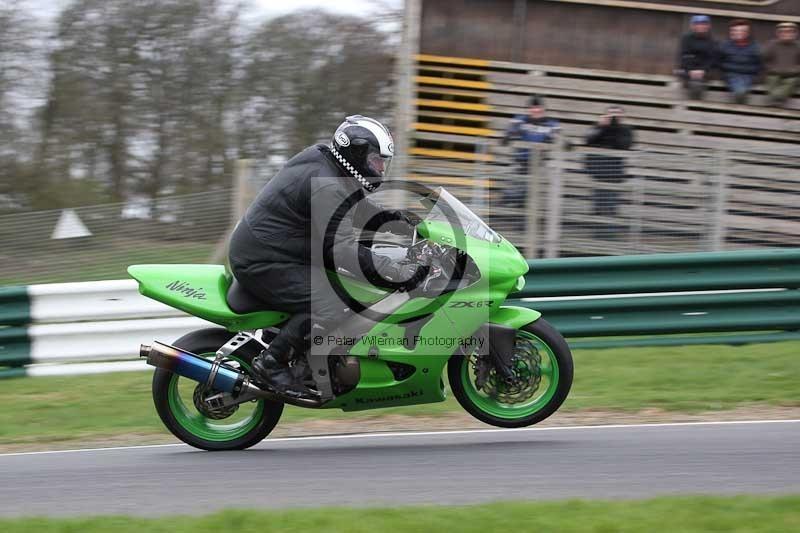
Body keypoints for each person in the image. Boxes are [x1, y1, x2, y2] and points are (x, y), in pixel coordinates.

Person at [228, 115, 426, 394]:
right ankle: (271, 363)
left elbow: (354, 209)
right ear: (354, 154)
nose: (380, 168)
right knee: (332, 301)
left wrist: (401, 223)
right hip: (263, 259)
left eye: (383, 161)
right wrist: (397, 272)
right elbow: (342, 250)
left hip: (280, 249)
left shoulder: (328, 164)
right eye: (375, 160)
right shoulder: (328, 183)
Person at [584, 106, 634, 232]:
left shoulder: (626, 130)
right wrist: (601, 127)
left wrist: (615, 128)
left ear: (623, 117)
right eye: (611, 114)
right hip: (598, 173)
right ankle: (596, 235)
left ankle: (609, 236)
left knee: (611, 209)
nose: (614, 117)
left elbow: (624, 145)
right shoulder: (598, 127)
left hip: (614, 175)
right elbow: (588, 140)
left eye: (617, 114)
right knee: (597, 207)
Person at [718, 19, 762, 104]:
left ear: (748, 32)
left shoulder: (755, 47)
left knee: (741, 91)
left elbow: (758, 66)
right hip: (730, 75)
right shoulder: (724, 45)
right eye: (735, 31)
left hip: (748, 76)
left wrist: (753, 76)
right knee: (739, 92)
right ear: (731, 32)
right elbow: (719, 63)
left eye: (742, 31)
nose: (739, 33)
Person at [676, 15, 718, 100]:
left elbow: (712, 59)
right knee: (688, 80)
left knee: (699, 83)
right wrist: (691, 70)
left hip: (704, 71)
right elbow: (684, 56)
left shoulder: (713, 41)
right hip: (688, 70)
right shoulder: (686, 39)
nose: (700, 26)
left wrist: (703, 70)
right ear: (692, 26)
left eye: (703, 24)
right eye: (697, 24)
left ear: (708, 26)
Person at [763, 22, 800, 106]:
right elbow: (764, 60)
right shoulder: (771, 44)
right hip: (774, 74)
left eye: (790, 32)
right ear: (778, 33)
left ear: (795, 33)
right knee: (772, 79)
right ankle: (775, 101)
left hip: (792, 75)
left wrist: (795, 69)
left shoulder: (798, 46)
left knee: (792, 81)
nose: (786, 34)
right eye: (783, 32)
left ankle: (776, 99)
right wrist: (771, 68)